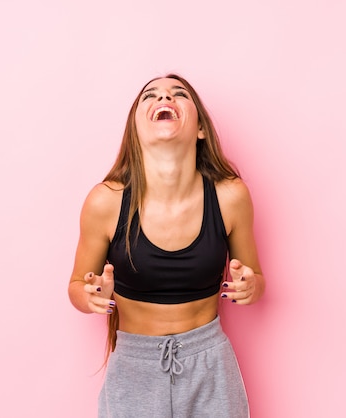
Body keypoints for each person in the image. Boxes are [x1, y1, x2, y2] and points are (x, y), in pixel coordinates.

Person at [68, 74, 265, 418]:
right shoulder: (106, 202)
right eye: (151, 96)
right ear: (136, 129)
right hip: (133, 366)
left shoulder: (230, 196)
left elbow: (256, 279)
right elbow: (75, 287)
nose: (164, 98)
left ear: (201, 128)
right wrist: (89, 295)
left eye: (179, 94)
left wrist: (250, 286)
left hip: (210, 365)